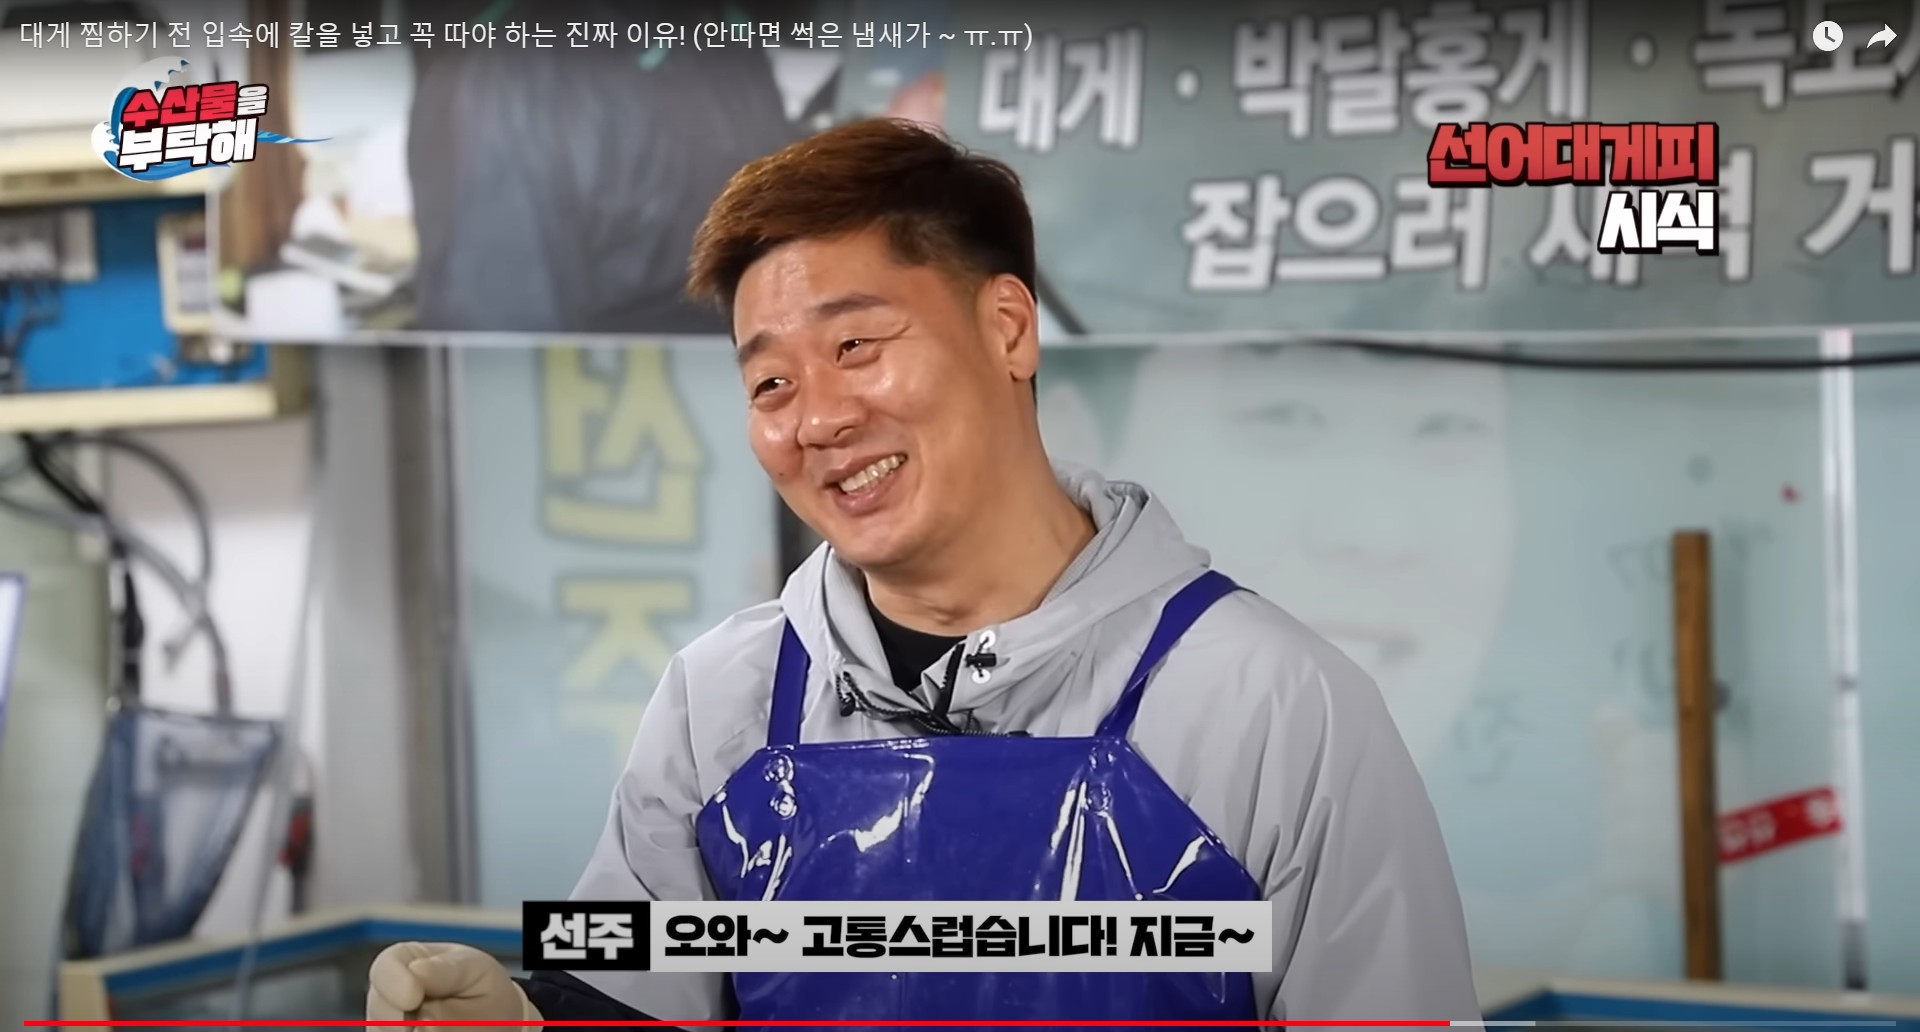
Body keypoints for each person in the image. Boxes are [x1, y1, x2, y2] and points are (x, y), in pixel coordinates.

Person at [365, 118, 1482, 1026]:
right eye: (770, 385)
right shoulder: (717, 701)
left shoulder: (1279, 707)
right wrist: (524, 1020)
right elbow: (628, 989)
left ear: (1008, 329)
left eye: (856, 346)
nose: (817, 419)